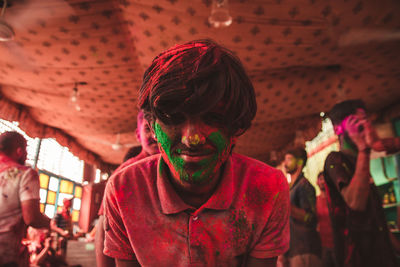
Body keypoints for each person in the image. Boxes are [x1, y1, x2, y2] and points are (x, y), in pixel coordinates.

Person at [103, 39, 290, 266]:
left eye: (213, 117)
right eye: (174, 118)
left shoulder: (267, 188)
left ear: (236, 126)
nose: (193, 138)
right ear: (151, 126)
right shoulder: (124, 190)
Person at [324, 99, 400, 267]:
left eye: (366, 120)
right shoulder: (335, 160)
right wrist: (364, 149)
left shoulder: (359, 161)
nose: (365, 127)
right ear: (339, 129)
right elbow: (355, 204)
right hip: (357, 258)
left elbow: (376, 220)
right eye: (357, 122)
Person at [95, 110, 160, 267]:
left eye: (159, 128)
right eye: (147, 129)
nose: (155, 135)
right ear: (138, 135)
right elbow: (104, 227)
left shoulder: (175, 168)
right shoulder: (125, 174)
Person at [0, 131, 50, 266]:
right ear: (19, 151)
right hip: (5, 254)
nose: (27, 155)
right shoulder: (25, 174)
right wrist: (52, 225)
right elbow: (32, 218)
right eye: (26, 150)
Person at [283, 147, 321, 267]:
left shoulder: (304, 185)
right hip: (293, 249)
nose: (285, 163)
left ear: (300, 162)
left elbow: (310, 217)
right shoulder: (291, 188)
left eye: (289, 159)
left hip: (305, 248)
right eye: (285, 159)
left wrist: (284, 204)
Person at [315, 172, 336, 267]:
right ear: (317, 182)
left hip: (338, 243)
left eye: (325, 179)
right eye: (320, 179)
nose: (323, 182)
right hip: (323, 246)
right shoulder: (315, 201)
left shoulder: (335, 200)